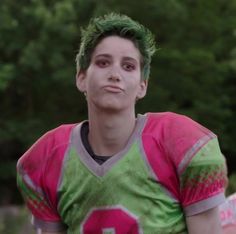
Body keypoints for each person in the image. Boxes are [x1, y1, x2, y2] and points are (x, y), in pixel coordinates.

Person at [17, 13, 228, 234]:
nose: (115, 74)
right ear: (81, 77)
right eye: (103, 62)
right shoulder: (48, 158)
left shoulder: (180, 144)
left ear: (142, 86)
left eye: (128, 66)